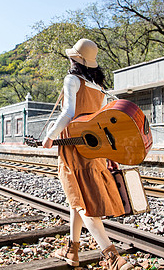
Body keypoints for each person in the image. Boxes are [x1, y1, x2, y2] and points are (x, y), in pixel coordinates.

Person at [42, 39, 133, 270]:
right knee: (77, 199)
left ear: (77, 60)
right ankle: (72, 251)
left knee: (84, 202)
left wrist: (51, 135)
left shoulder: (72, 80)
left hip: (74, 148)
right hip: (96, 149)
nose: (69, 59)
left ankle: (113, 257)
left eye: (72, 56)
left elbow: (68, 114)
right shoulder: (99, 88)